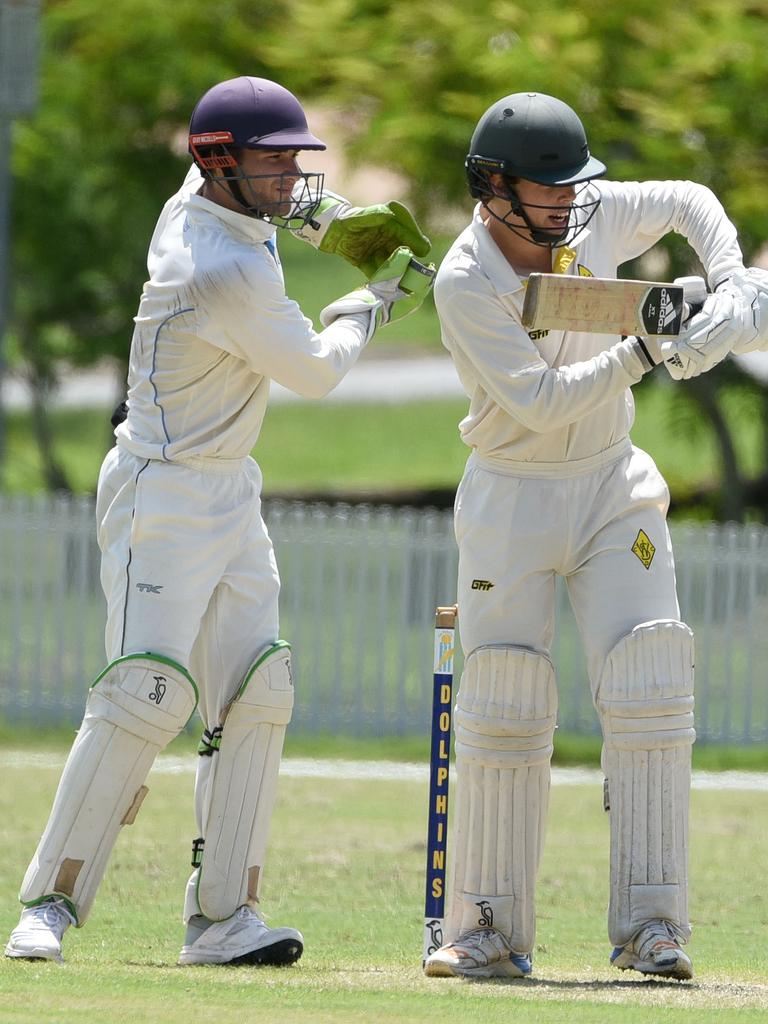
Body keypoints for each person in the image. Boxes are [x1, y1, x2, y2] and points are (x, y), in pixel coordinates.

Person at [5, 75, 433, 967]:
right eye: (274, 164)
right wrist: (372, 303)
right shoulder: (221, 264)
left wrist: (325, 221)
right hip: (161, 491)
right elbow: (314, 371)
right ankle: (47, 903)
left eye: (295, 164)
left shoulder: (209, 207)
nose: (292, 181)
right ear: (221, 163)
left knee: (257, 692)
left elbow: (266, 214)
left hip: (229, 491)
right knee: (143, 695)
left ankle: (224, 918)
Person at [422, 91, 759, 982]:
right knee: (502, 701)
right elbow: (535, 404)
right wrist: (650, 345)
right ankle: (487, 929)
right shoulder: (466, 279)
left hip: (613, 484)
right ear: (495, 187)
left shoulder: (592, 210)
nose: (569, 202)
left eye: (575, 186)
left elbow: (690, 199)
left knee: (651, 681)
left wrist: (724, 287)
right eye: (548, 188)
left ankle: (653, 927)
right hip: (512, 496)